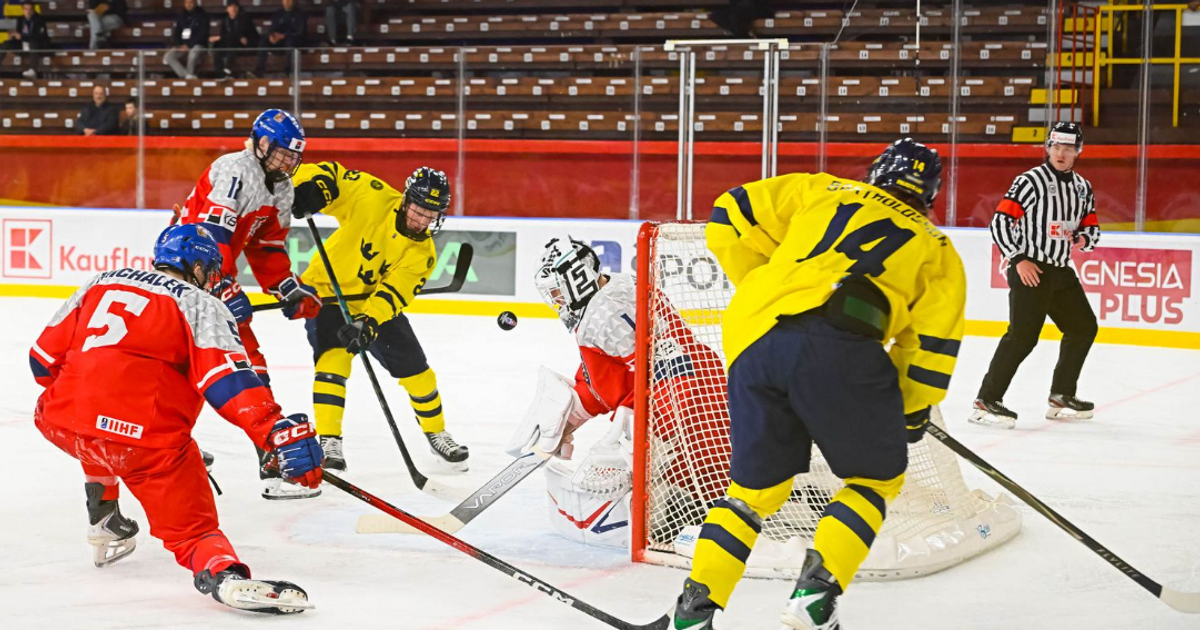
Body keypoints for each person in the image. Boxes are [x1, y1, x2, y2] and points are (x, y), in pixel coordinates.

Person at [672, 138, 966, 630]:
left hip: (756, 341)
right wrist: (911, 412)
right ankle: (813, 603)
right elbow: (929, 348)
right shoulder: (937, 248)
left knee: (751, 492)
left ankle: (692, 615)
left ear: (876, 172)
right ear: (931, 192)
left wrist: (766, 288)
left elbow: (730, 212)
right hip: (844, 347)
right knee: (874, 479)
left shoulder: (823, 189)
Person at [29, 223, 323, 614]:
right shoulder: (202, 304)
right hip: (144, 447)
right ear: (197, 267)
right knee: (194, 529)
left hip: (61, 422)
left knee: (96, 421)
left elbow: (41, 363)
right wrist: (274, 432)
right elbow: (227, 383)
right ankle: (223, 575)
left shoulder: (100, 282)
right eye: (210, 270)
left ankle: (103, 514)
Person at [504, 236, 731, 545]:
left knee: (699, 499)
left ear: (576, 277)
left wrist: (631, 439)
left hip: (684, 400)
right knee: (702, 487)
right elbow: (620, 373)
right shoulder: (619, 285)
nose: (556, 301)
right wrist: (576, 408)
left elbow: (652, 370)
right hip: (700, 381)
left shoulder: (600, 316)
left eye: (556, 291)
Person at [175, 108, 323, 499]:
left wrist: (288, 287)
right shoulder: (234, 170)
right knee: (201, 362)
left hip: (212, 276)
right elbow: (211, 234)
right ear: (261, 144)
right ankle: (170, 443)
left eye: (295, 156)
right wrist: (222, 286)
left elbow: (267, 247)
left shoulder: (283, 188)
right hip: (182, 274)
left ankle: (269, 456)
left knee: (243, 362)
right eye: (283, 154)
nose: (290, 162)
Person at [290, 163, 470, 475]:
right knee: (333, 362)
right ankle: (330, 439)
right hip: (326, 292)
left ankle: (436, 433)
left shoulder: (422, 254)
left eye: (431, 214)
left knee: (419, 372)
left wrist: (368, 322)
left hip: (372, 305)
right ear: (405, 200)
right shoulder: (372, 197)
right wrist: (312, 187)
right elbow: (331, 174)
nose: (423, 220)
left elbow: (393, 294)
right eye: (419, 210)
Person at [969, 122, 1100, 430]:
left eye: (1068, 149)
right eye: (1056, 147)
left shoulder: (1082, 187)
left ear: (1078, 151)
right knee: (1023, 336)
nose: (1061, 153)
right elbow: (1000, 222)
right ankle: (987, 400)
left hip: (1061, 270)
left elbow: (1091, 229)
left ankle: (1062, 395)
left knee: (1083, 327)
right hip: (1031, 268)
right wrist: (1017, 259)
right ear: (1047, 147)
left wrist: (1083, 239)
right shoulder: (1030, 181)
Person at [255, 0, 306, 77]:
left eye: (289, 0)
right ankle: (259, 71)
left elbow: (300, 32)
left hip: (293, 41)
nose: (287, 2)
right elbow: (272, 28)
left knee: (290, 42)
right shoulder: (278, 13)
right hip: (278, 41)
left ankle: (286, 71)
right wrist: (272, 36)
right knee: (263, 42)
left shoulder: (300, 14)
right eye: (285, 0)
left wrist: (284, 35)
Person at [1, 1, 50, 79]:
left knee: (33, 42)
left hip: (38, 46)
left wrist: (22, 37)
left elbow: (38, 37)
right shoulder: (20, 19)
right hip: (23, 45)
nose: (28, 12)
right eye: (26, 9)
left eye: (30, 9)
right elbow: (18, 36)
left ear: (33, 10)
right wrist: (12, 37)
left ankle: (33, 70)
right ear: (23, 9)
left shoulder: (39, 19)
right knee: (5, 44)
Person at [210, 0, 258, 79]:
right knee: (217, 51)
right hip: (228, 45)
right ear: (227, 9)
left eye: (235, 7)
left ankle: (228, 70)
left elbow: (238, 34)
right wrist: (220, 38)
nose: (233, 9)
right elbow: (225, 34)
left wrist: (219, 37)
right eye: (231, 7)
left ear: (238, 8)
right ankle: (221, 75)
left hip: (242, 46)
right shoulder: (225, 20)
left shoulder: (244, 19)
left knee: (231, 43)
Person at [164, 0, 209, 80]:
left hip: (198, 44)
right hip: (183, 45)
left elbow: (203, 34)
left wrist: (189, 45)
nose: (188, 5)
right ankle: (186, 76)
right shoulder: (181, 15)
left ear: (195, 3)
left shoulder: (203, 15)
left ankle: (189, 77)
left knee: (192, 55)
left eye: (191, 2)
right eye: (187, 3)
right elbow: (176, 33)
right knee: (168, 56)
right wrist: (180, 45)